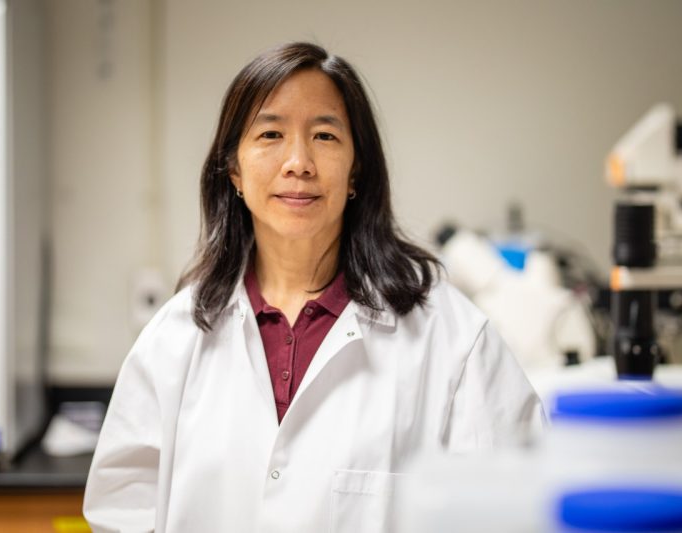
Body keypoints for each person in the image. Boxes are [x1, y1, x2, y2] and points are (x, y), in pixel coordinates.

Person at [83, 42, 544, 533]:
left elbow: (517, 507)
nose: (298, 162)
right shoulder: (175, 338)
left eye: (324, 135)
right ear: (234, 170)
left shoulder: (449, 336)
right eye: (271, 134)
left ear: (355, 171)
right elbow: (121, 514)